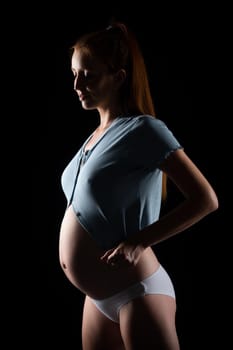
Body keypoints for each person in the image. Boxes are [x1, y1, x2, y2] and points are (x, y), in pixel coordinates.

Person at [58, 21, 218, 350]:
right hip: (97, 298)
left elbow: (205, 199)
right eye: (74, 73)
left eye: (88, 74)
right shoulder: (91, 139)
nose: (77, 84)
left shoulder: (144, 131)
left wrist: (138, 243)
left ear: (118, 77)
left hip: (137, 292)